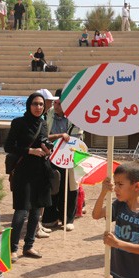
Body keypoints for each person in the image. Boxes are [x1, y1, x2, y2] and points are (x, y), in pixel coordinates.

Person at [4, 92, 53, 260]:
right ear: (28, 105)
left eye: (41, 104)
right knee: (21, 210)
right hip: (23, 172)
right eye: (35, 104)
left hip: (41, 171)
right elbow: (8, 146)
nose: (38, 107)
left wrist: (47, 149)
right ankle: (13, 249)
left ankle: (29, 246)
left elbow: (43, 142)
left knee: (36, 211)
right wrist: (30, 150)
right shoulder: (18, 123)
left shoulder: (43, 123)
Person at [42, 89, 83, 231]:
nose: (56, 106)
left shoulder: (75, 117)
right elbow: (46, 134)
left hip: (70, 156)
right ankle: (51, 217)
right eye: (55, 103)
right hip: (52, 156)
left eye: (59, 103)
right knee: (53, 185)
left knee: (70, 187)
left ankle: (68, 219)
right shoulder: (50, 113)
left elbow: (77, 137)